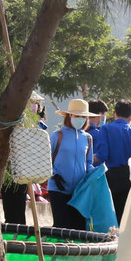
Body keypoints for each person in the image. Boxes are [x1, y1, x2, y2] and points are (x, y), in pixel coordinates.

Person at [47, 98, 99, 230]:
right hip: (58, 188)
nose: (80, 119)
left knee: (78, 227)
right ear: (69, 115)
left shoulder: (87, 138)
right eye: (77, 116)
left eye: (83, 116)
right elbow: (46, 160)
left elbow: (89, 163)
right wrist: (54, 175)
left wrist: (95, 175)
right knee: (61, 226)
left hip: (79, 191)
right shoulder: (56, 136)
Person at [91, 99, 131, 220]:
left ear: (115, 114)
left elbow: (102, 155)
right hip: (130, 178)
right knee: (126, 215)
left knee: (111, 213)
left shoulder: (106, 129)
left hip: (111, 177)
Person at [2, 92, 48, 226]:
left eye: (36, 104)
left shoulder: (37, 124)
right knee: (9, 200)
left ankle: (19, 226)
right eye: (32, 103)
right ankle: (10, 226)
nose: (35, 106)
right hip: (10, 166)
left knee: (20, 202)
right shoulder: (14, 121)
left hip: (26, 166)